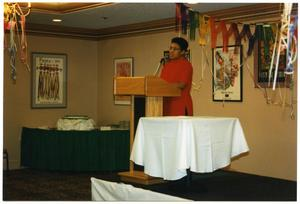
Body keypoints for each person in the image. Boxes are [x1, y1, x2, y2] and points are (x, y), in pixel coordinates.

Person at [160, 37, 193, 116]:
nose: (171, 51)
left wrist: (164, 86)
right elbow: (160, 83)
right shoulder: (166, 66)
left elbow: (181, 85)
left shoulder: (186, 65)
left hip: (180, 106)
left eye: (175, 49)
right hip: (166, 106)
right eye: (170, 48)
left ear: (182, 52)